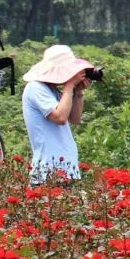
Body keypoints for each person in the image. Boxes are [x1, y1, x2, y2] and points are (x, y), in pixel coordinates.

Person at [21, 44, 93, 185]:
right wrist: (69, 86)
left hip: (66, 170)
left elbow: (75, 119)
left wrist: (78, 92)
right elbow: (60, 117)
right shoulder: (35, 88)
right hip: (48, 172)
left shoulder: (53, 91)